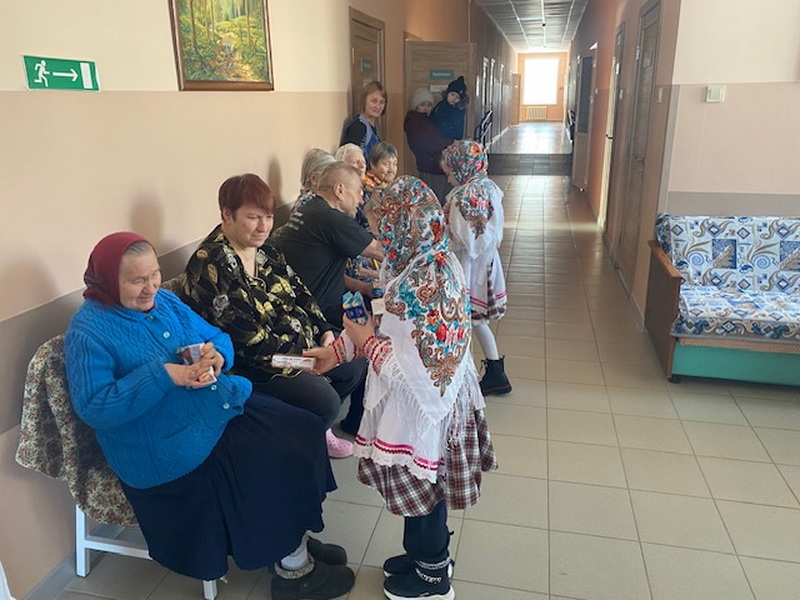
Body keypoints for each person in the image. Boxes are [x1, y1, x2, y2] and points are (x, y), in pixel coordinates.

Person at [65, 232, 354, 600]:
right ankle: (293, 569)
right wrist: (164, 374)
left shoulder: (165, 301)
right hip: (159, 443)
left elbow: (216, 336)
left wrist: (217, 355)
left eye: (154, 275)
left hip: (211, 408)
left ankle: (292, 538)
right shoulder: (88, 332)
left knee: (303, 430)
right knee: (273, 457)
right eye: (137, 280)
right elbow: (95, 407)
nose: (150, 287)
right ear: (108, 279)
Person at [305, 176, 498, 600]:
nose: (380, 241)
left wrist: (363, 344)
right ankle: (424, 558)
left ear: (403, 227)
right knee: (423, 495)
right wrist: (337, 352)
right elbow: (384, 322)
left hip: (429, 415)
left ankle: (433, 576)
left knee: (427, 497)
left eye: (382, 230)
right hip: (426, 410)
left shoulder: (429, 282)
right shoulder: (420, 261)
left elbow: (414, 372)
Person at [182, 174, 366, 458]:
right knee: (325, 399)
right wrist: (305, 359)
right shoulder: (212, 263)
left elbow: (299, 290)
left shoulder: (265, 247)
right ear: (227, 215)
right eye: (253, 217)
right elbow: (248, 343)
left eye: (268, 217)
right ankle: (304, 440)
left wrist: (324, 330)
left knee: (356, 362)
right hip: (261, 362)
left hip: (300, 343)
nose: (264, 226)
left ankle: (316, 428)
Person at [273, 162, 384, 328]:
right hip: (320, 315)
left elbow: (323, 272)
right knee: (385, 323)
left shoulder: (310, 208)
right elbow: (382, 252)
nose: (361, 200)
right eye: (358, 191)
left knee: (375, 305)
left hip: (310, 305)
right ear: (340, 190)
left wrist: (363, 287)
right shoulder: (331, 218)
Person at [441, 140, 512, 395]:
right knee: (478, 321)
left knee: (465, 319)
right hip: (487, 262)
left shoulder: (465, 196)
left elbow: (465, 238)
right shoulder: (487, 187)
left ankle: (469, 377)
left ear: (462, 168)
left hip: (470, 266)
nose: (448, 179)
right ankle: (495, 371)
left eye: (450, 173)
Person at [404, 87, 454, 203]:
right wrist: (450, 143)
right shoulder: (413, 122)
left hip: (438, 168)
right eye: (422, 105)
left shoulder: (428, 120)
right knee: (434, 202)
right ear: (416, 106)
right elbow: (429, 143)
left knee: (442, 201)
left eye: (429, 105)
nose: (425, 108)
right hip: (429, 169)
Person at [341, 80, 387, 162]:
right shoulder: (358, 127)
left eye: (381, 102)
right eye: (374, 101)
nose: (378, 106)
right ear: (364, 101)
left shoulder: (376, 127)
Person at [293, 147, 336, 213]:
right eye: (331, 177)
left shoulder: (304, 200)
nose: (335, 182)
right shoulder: (314, 205)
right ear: (314, 179)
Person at [432, 76, 469, 141]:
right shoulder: (441, 106)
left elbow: (460, 126)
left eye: (457, 97)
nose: (454, 98)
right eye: (452, 94)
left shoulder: (460, 110)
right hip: (440, 139)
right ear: (447, 93)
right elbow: (434, 120)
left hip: (455, 140)